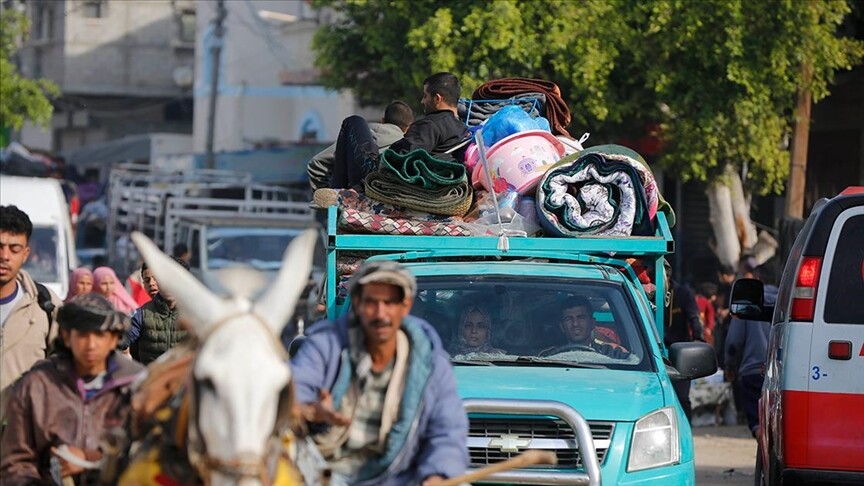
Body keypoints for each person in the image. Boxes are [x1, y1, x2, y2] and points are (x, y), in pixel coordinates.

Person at [290, 260, 468, 485]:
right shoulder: (327, 344)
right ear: (356, 303)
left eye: (389, 302)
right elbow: (291, 394)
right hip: (326, 472)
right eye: (371, 302)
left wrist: (437, 474)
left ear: (405, 306)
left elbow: (446, 432)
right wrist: (313, 412)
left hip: (398, 477)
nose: (380, 313)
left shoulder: (431, 363)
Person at [0, 293, 144, 484]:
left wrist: (92, 460)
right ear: (67, 337)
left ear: (113, 339)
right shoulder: (39, 384)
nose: (91, 345)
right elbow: (15, 460)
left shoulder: (137, 385)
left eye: (100, 335)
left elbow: (153, 457)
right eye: (83, 335)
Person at [325, 73, 469, 191]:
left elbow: (401, 160)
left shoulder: (430, 125)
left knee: (353, 122)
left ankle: (336, 191)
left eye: (425, 96)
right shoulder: (462, 128)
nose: (422, 101)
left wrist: (359, 187)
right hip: (396, 176)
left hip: (374, 175)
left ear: (437, 98)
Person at [0, 205, 62, 421]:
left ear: (26, 254)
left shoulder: (46, 304)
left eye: (14, 249)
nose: (4, 256)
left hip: (24, 438)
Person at [307, 101, 415, 191]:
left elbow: (316, 163)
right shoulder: (407, 145)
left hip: (352, 194)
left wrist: (328, 197)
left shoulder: (355, 134)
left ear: (382, 120)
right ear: (408, 128)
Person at [724, 264, 777, 438]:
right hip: (784, 378)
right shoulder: (789, 301)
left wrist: (730, 366)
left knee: (757, 423)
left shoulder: (749, 302)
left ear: (758, 280)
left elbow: (734, 341)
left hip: (753, 374)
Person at [119, 258, 191, 364]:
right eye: (164, 279)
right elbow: (122, 340)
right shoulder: (141, 314)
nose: (168, 285)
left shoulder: (196, 315)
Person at [666, 277, 705, 423]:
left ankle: (685, 432)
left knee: (682, 397)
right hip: (654, 352)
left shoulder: (683, 294)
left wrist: (698, 338)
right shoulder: (648, 292)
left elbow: (694, 317)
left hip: (680, 353)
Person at [541, 296, 630, 359]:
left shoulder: (613, 354)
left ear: (592, 323)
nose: (575, 324)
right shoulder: (548, 357)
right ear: (562, 327)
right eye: (569, 319)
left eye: (581, 317)